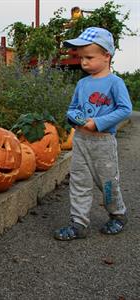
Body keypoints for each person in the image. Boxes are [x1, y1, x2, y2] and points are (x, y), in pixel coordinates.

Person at [54, 27, 132, 241]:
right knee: (79, 182)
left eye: (89, 57)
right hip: (81, 141)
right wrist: (76, 118)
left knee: (107, 182)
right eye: (81, 58)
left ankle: (118, 214)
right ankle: (79, 223)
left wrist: (97, 123)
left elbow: (125, 109)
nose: (84, 62)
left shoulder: (115, 83)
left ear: (107, 56)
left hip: (103, 143)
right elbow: (73, 107)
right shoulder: (82, 84)